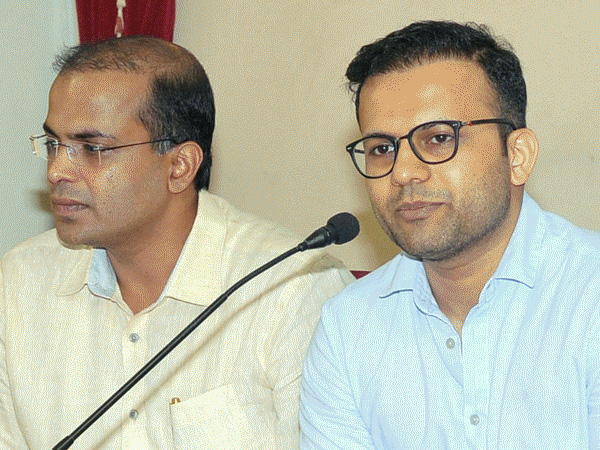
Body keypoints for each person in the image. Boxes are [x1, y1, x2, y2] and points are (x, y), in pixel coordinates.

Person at [0, 35, 353, 449]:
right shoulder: (21, 280)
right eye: (53, 144)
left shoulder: (293, 288)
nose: (57, 170)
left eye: (92, 148)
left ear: (180, 166)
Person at [300, 20, 600, 449]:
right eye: (382, 148)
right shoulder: (347, 328)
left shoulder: (589, 294)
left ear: (517, 155)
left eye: (439, 138)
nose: (404, 173)